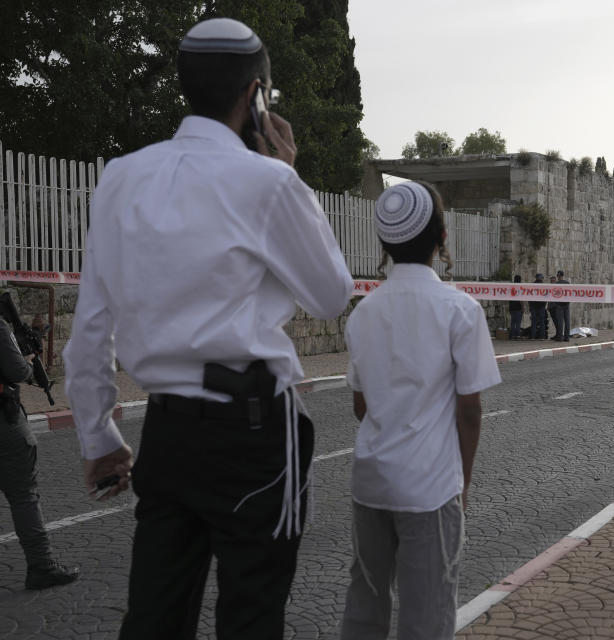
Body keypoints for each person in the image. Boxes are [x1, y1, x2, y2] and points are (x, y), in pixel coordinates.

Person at [62, 18, 354, 640]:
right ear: (256, 96)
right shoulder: (269, 182)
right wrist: (289, 172)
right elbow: (331, 294)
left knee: (154, 616)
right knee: (251, 615)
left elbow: (91, 324)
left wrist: (99, 436)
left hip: (167, 429)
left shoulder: (120, 177)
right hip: (253, 432)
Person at [341, 182, 501, 639]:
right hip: (430, 489)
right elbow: (469, 411)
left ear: (384, 244)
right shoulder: (461, 311)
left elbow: (360, 405)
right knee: (427, 615)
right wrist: (463, 483)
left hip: (370, 482)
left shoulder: (363, 312)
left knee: (364, 606)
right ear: (441, 238)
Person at [0, 315, 79, 590]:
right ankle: (41, 567)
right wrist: (29, 361)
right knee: (24, 496)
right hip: (4, 423)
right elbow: (17, 371)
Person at [554, 270, 571, 342]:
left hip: (559, 305)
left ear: (558, 276)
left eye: (557, 276)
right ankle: (567, 337)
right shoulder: (567, 283)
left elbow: (554, 294)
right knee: (567, 321)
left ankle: (560, 337)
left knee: (560, 322)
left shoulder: (556, 284)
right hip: (566, 304)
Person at [529, 274, 547, 339]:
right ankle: (542, 336)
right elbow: (546, 296)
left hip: (533, 305)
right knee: (542, 322)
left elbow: (529, 296)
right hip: (541, 306)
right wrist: (544, 304)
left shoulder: (532, 285)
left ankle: (533, 336)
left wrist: (530, 306)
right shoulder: (544, 286)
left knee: (534, 321)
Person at [508, 275, 524, 340]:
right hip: (518, 307)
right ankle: (517, 336)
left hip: (512, 307)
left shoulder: (511, 287)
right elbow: (521, 299)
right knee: (518, 323)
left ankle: (512, 336)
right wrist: (523, 307)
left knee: (512, 322)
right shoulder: (520, 287)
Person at [547, 275, 560, 339]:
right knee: (555, 321)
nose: (552, 281)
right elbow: (549, 297)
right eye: (551, 280)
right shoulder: (550, 287)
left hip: (556, 307)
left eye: (553, 280)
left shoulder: (557, 287)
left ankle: (559, 334)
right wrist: (548, 306)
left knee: (557, 321)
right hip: (551, 307)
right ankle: (558, 334)